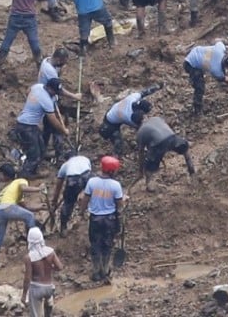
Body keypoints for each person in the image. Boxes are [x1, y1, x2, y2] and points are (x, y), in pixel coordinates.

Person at [77, 155, 125, 283]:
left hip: (95, 219)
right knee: (107, 245)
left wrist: (81, 212)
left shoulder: (92, 182)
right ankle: (106, 270)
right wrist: (124, 201)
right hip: (109, 220)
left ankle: (96, 271)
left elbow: (85, 199)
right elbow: (119, 205)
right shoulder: (115, 185)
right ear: (111, 171)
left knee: (95, 245)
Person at [13, 79, 69, 178]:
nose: (56, 94)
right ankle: (26, 173)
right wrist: (63, 130)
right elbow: (53, 121)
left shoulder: (37, 86)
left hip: (30, 124)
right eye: (55, 92)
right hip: (25, 127)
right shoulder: (46, 100)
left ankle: (35, 168)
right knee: (34, 153)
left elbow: (28, 90)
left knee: (42, 147)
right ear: (50, 89)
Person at [0, 162, 41, 269]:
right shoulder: (21, 181)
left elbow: (24, 207)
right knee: (30, 217)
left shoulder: (10, 188)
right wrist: (39, 189)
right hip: (8, 206)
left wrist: (39, 207)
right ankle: (34, 246)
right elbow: (24, 188)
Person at [99, 83, 163, 155]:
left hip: (115, 110)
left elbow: (144, 92)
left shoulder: (133, 97)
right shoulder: (129, 116)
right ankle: (117, 156)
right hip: (110, 123)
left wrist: (156, 87)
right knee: (118, 143)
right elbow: (140, 128)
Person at [183, 40, 228, 115]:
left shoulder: (220, 48)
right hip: (190, 64)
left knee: (204, 66)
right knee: (200, 87)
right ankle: (197, 110)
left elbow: (218, 40)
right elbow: (224, 79)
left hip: (196, 51)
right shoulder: (216, 70)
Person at [136, 117, 195, 190]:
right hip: (172, 136)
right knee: (184, 148)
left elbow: (141, 153)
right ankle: (191, 169)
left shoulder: (140, 132)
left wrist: (141, 170)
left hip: (158, 144)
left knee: (149, 166)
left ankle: (149, 185)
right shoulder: (156, 118)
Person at [22, 227, 62, 317]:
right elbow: (60, 267)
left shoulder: (29, 257)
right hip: (49, 287)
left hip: (37, 288)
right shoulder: (50, 252)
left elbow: (27, 278)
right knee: (48, 304)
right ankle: (49, 307)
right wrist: (51, 268)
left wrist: (24, 295)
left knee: (36, 314)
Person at [49, 152, 92, 234]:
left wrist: (55, 200)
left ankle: (63, 227)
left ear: (66, 159)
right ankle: (86, 215)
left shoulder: (65, 165)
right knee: (90, 196)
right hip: (87, 176)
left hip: (73, 180)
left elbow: (59, 185)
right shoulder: (84, 158)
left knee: (68, 203)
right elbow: (89, 171)